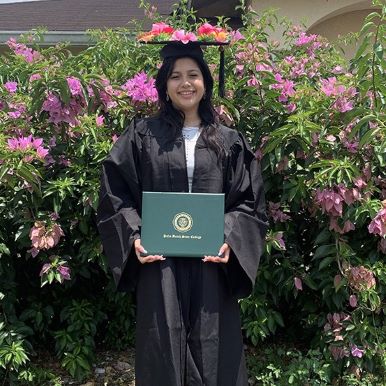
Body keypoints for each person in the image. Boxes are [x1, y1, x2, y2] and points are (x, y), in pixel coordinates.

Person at [97, 41, 268, 386]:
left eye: (193, 75)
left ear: (205, 82)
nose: (185, 83)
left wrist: (231, 240)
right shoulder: (142, 135)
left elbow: (248, 200)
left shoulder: (228, 140)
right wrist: (134, 238)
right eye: (176, 76)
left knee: (213, 344)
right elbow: (115, 193)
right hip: (161, 263)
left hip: (211, 263)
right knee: (162, 342)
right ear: (164, 85)